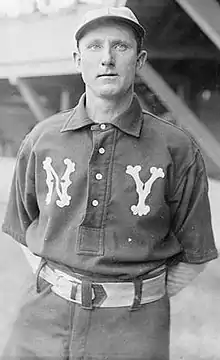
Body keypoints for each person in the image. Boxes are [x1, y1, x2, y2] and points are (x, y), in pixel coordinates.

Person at [1, 6, 218, 360]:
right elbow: (22, 224)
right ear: (77, 58)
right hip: (42, 322)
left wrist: (132, 295)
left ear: (140, 59)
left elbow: (195, 254)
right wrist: (59, 281)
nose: (107, 59)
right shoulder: (43, 139)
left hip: (133, 330)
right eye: (94, 47)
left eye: (120, 47)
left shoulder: (176, 147)